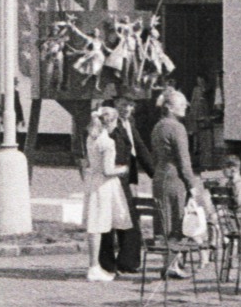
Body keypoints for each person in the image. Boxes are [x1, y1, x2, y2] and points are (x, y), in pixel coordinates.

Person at [98, 95, 155, 276]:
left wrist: (155, 173)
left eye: (131, 105)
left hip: (126, 177)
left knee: (128, 218)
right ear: (115, 104)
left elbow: (139, 148)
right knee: (111, 219)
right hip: (113, 176)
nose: (128, 109)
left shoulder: (129, 122)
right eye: (124, 104)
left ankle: (127, 261)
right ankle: (107, 263)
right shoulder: (110, 122)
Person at [148, 87, 201, 279]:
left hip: (160, 176)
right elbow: (184, 160)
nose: (185, 108)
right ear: (170, 107)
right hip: (174, 178)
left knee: (165, 219)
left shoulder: (158, 126)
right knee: (177, 219)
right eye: (181, 105)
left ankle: (169, 262)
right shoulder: (177, 127)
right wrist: (192, 185)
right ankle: (172, 264)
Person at [83, 108, 132, 282]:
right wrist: (123, 169)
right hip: (104, 185)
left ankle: (96, 264)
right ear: (111, 122)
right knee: (99, 224)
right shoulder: (107, 142)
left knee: (96, 223)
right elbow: (107, 170)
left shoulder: (91, 138)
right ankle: (94, 266)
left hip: (93, 182)